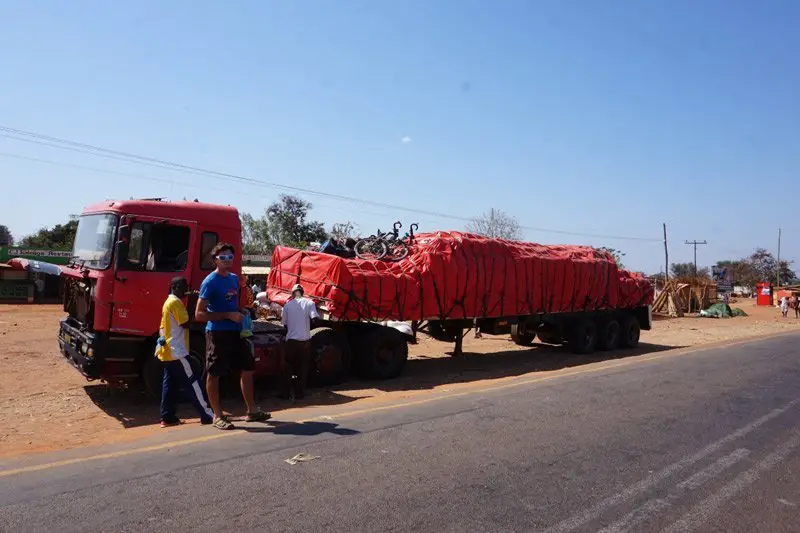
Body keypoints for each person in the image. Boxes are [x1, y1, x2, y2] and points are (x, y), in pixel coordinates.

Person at [196, 243, 271, 430]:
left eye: (230, 257)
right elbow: (199, 314)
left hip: (237, 332)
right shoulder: (209, 281)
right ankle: (217, 415)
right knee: (214, 373)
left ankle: (252, 411)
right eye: (223, 257)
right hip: (217, 333)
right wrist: (227, 315)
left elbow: (232, 304)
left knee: (247, 369)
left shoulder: (234, 279)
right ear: (215, 259)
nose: (227, 260)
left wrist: (240, 311)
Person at [156, 277, 214, 428]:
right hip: (177, 351)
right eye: (183, 287)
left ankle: (167, 417)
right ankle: (207, 414)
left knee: (169, 385)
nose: (185, 289)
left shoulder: (168, 302)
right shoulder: (175, 302)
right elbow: (186, 323)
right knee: (193, 382)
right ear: (174, 287)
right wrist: (195, 301)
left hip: (168, 351)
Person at [279, 283, 320, 400]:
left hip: (291, 342)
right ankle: (299, 394)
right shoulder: (310, 303)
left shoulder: (287, 306)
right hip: (305, 342)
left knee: (287, 368)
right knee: (302, 369)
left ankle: (285, 393)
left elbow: (284, 324)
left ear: (293, 293)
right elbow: (315, 319)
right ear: (302, 292)